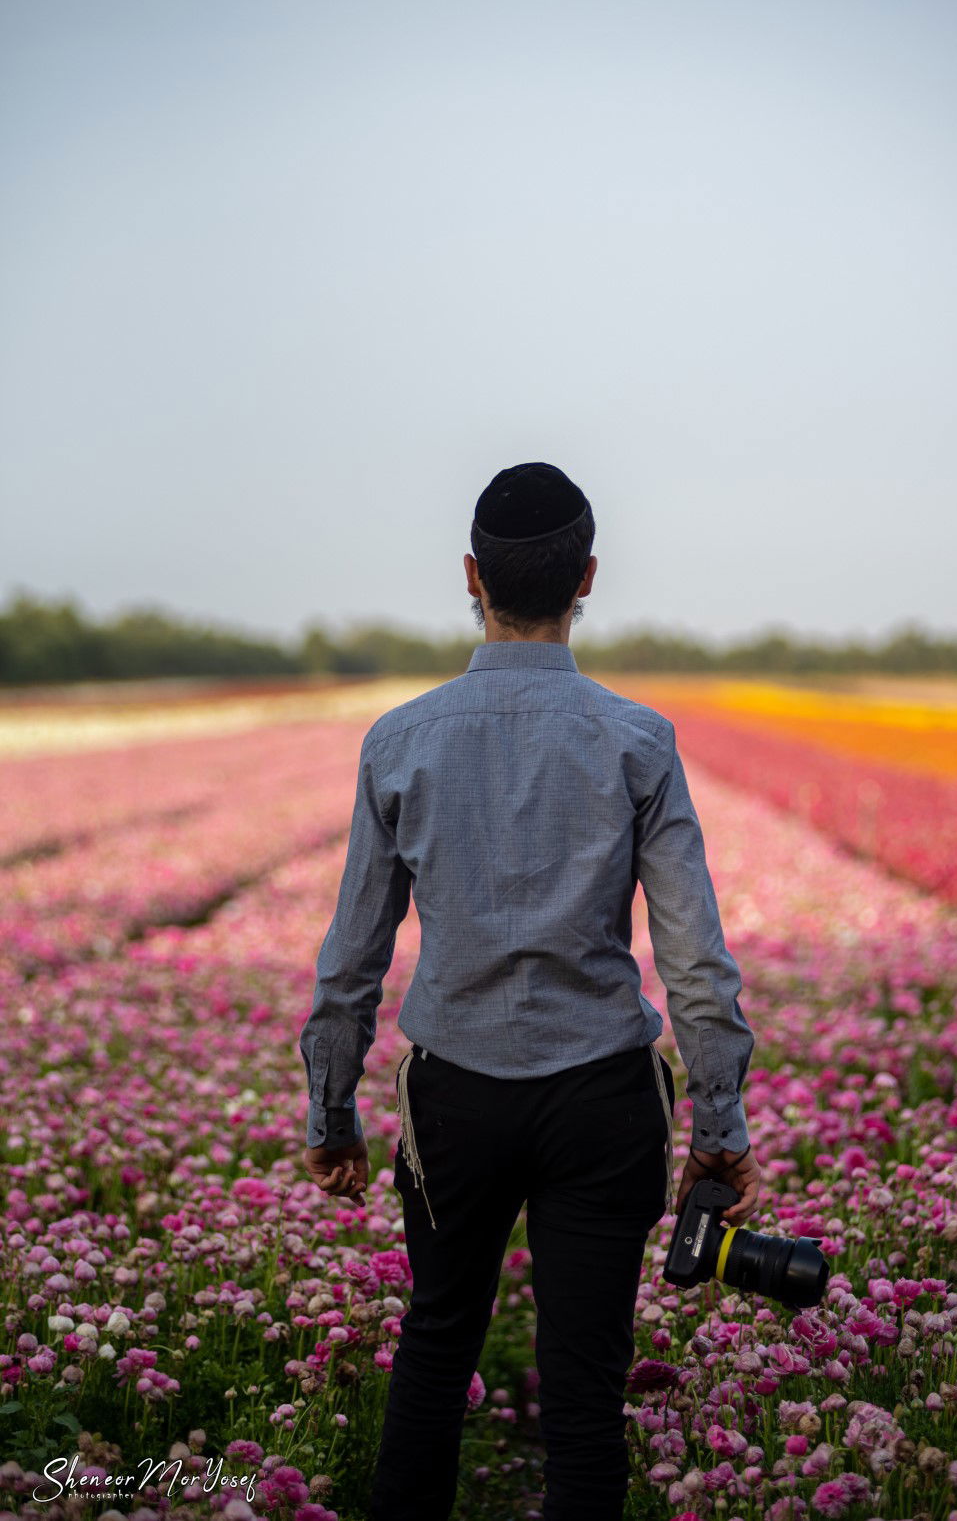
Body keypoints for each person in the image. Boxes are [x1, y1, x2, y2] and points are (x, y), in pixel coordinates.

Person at [298, 462, 760, 1521]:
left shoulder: (400, 740)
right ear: (588, 577)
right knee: (588, 1383)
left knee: (435, 1340)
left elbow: (351, 959)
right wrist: (720, 1123)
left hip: (453, 1094)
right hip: (602, 1094)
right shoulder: (639, 739)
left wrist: (331, 1109)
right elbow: (695, 958)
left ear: (471, 574)